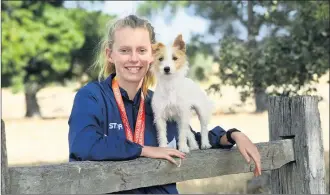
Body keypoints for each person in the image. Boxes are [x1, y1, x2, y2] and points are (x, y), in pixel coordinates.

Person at [68, 14, 261, 194]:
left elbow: (190, 137)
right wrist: (143, 150)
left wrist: (232, 135)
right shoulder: (91, 97)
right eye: (125, 50)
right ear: (110, 54)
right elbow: (85, 145)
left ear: (152, 55)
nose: (134, 58)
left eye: (142, 50)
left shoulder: (157, 101)